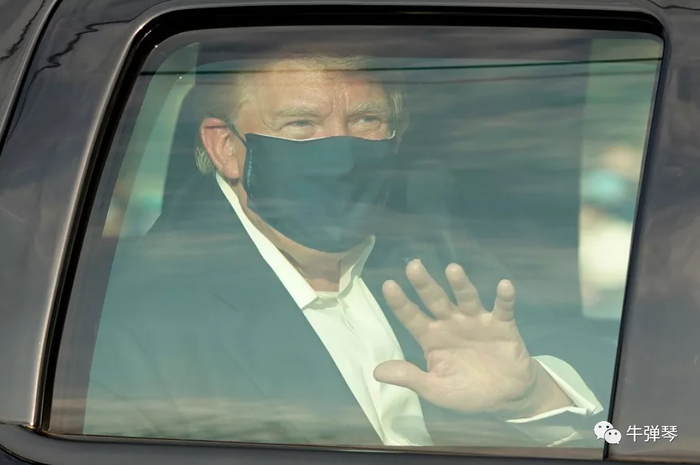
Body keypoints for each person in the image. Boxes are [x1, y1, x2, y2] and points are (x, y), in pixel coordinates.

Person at [84, 52, 612, 447]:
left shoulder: (440, 256)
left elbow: (629, 419)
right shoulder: (134, 313)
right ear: (226, 146)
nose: (342, 154)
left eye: (365, 121)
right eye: (301, 125)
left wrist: (531, 397)